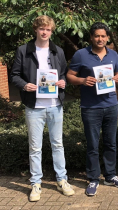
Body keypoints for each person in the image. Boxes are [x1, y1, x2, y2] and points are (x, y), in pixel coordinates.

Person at [10, 15, 74, 202]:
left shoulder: (58, 51)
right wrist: (24, 85)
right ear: (35, 30)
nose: (44, 32)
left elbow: (62, 74)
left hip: (55, 105)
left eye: (48, 29)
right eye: (41, 28)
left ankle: (62, 180)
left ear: (51, 31)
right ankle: (35, 183)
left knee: (58, 144)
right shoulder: (24, 50)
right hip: (34, 106)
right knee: (35, 147)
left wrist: (63, 82)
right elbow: (14, 75)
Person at [66, 22, 118, 196]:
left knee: (110, 143)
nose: (100, 39)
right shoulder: (81, 55)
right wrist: (83, 81)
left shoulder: (113, 54)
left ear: (107, 37)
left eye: (103, 36)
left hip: (111, 105)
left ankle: (110, 176)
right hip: (90, 107)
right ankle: (93, 179)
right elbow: (69, 76)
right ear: (91, 37)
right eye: (97, 36)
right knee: (92, 145)